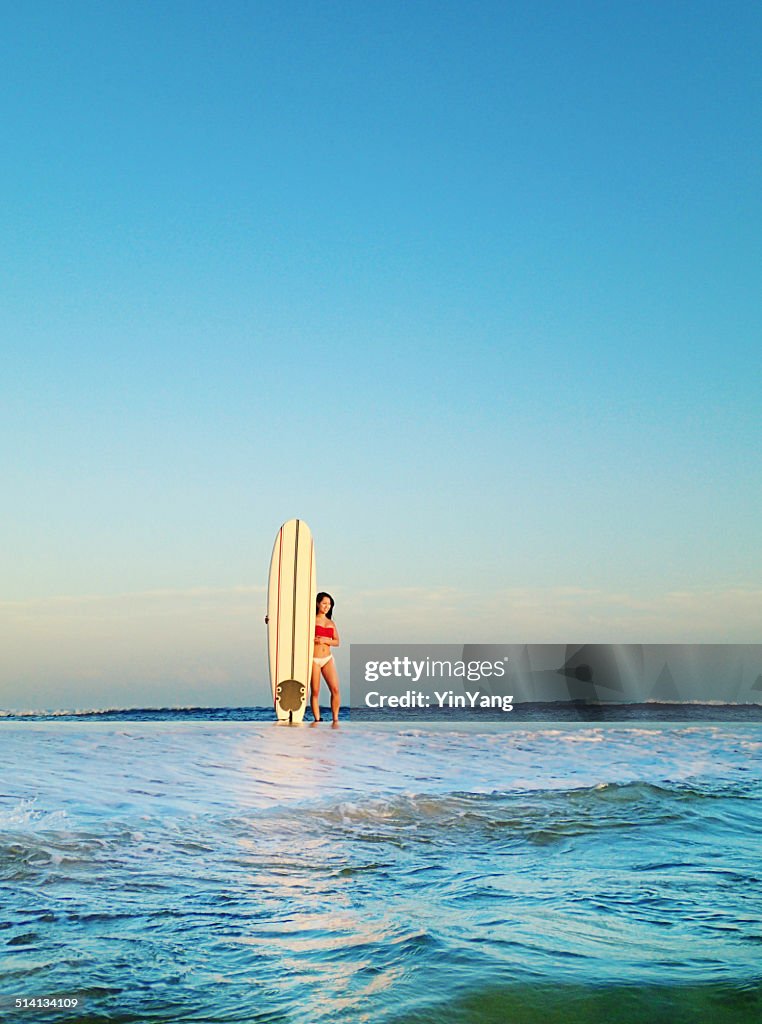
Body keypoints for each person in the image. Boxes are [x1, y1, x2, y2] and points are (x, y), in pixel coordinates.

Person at [311, 592, 340, 723]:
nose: (327, 606)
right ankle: (317, 719)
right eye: (324, 603)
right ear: (317, 604)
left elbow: (337, 642)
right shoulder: (311, 620)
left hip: (327, 658)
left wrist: (324, 640)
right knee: (315, 691)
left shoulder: (331, 623)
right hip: (314, 659)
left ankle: (335, 719)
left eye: (329, 604)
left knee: (335, 689)